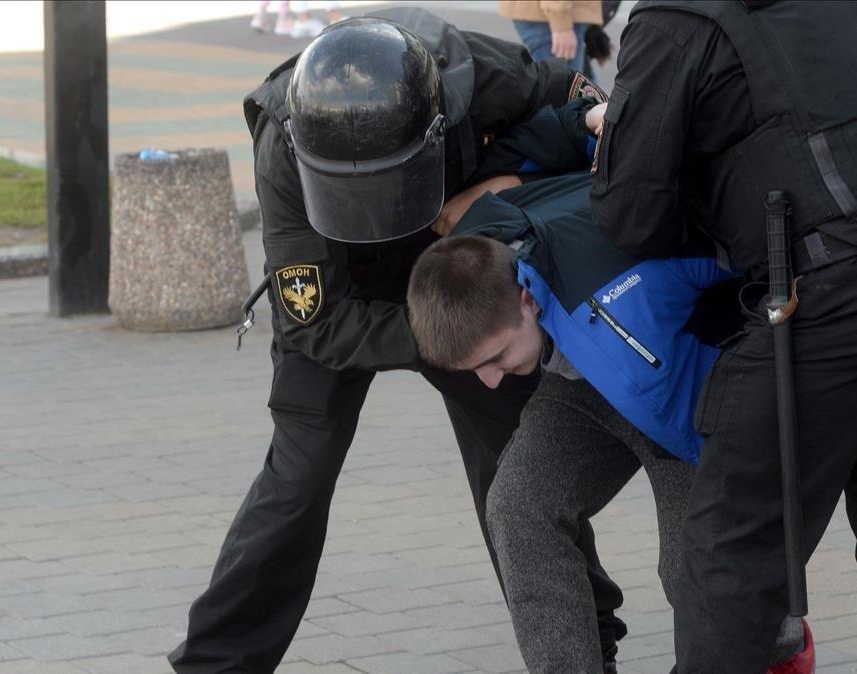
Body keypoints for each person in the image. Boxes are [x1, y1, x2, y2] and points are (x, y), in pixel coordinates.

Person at [168, 11, 624, 673]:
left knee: (518, 465)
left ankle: (586, 640)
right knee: (298, 479)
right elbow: (317, 323)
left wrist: (521, 183)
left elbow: (581, 106)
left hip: (446, 253)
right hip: (335, 290)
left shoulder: (476, 73)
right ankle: (215, 665)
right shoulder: (284, 145)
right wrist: (452, 334)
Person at [589, 1, 857, 672]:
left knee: (730, 551)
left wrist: (616, 135)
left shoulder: (673, 19)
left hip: (837, 285)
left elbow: (633, 216)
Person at [407, 169, 813, 674]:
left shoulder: (629, 278)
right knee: (517, 506)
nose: (492, 381)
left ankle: (781, 651)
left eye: (498, 357)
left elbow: (758, 258)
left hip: (689, 403)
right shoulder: (484, 258)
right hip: (585, 391)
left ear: (526, 298)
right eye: (476, 370)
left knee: (692, 570)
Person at [500, 1, 603, 77]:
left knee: (585, 93)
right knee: (565, 96)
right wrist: (561, 22)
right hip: (551, 18)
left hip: (559, 14)